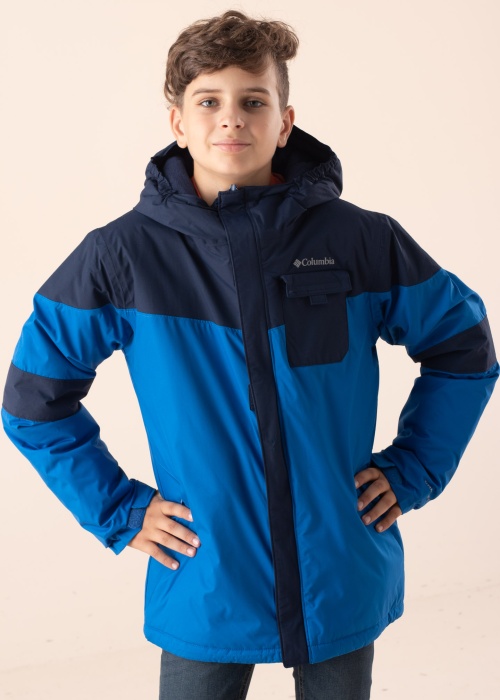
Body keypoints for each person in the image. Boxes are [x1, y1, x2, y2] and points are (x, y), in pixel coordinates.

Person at [2, 9, 498, 700]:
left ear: (285, 122)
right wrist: (119, 510)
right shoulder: (121, 256)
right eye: (208, 101)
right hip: (206, 575)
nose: (231, 118)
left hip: (339, 568)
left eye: (253, 101)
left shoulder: (361, 240)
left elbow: (463, 347)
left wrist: (414, 467)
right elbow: (34, 400)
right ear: (177, 122)